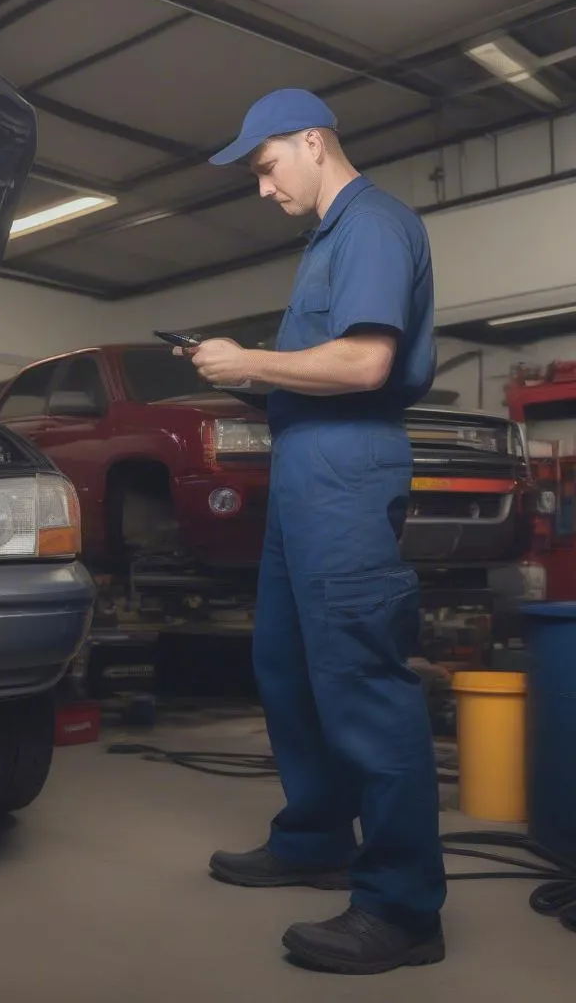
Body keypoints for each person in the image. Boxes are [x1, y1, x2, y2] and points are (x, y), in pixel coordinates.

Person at [178, 88, 446, 976]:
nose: (263, 189)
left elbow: (366, 362)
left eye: (265, 168)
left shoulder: (372, 224)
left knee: (362, 679)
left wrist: (247, 359)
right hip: (304, 472)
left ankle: (403, 908)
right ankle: (315, 836)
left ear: (313, 140)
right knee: (289, 667)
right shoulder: (328, 241)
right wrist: (247, 373)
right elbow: (320, 369)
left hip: (346, 471)